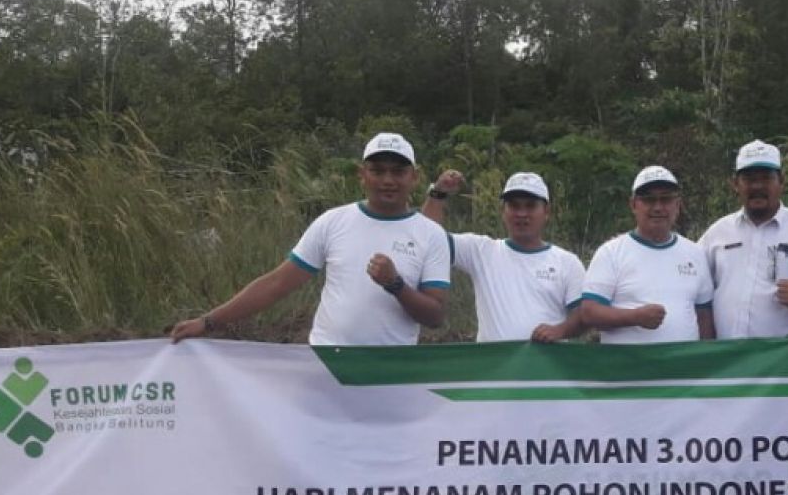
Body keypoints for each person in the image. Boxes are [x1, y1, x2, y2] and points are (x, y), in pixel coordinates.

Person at [170, 132, 450, 345]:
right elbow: (277, 284)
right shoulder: (333, 222)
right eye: (377, 171)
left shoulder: (431, 234)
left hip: (392, 373)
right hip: (326, 364)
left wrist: (395, 284)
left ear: (414, 177)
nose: (388, 180)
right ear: (362, 175)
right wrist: (208, 323)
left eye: (398, 171)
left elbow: (434, 316)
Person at [421, 169, 586, 342]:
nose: (522, 214)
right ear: (503, 211)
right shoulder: (481, 251)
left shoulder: (568, 262)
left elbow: (584, 315)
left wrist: (560, 330)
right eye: (514, 205)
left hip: (547, 367)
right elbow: (428, 238)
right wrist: (437, 194)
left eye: (530, 205)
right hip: (494, 366)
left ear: (546, 211)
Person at [698, 140, 788, 338]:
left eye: (766, 178)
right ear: (735, 184)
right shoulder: (716, 233)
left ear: (781, 181)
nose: (757, 186)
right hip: (727, 357)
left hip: (784, 357)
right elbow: (696, 287)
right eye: (749, 179)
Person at [580, 166, 716, 343]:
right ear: (633, 205)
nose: (658, 207)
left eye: (666, 199)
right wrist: (635, 317)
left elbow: (704, 316)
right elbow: (589, 313)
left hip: (682, 368)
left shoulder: (695, 253)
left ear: (678, 205)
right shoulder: (611, 253)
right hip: (626, 367)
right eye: (649, 200)